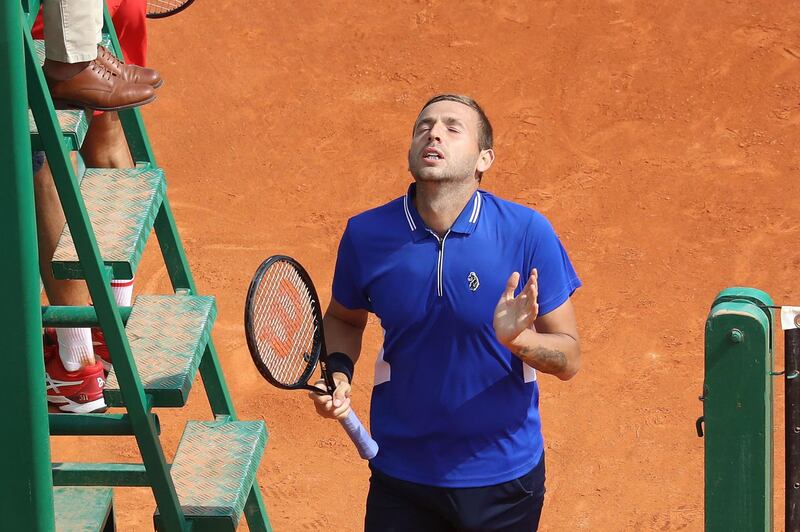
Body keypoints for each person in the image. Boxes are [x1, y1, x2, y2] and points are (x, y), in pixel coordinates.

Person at [309, 94, 582, 531]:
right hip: (401, 473)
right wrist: (339, 371)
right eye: (424, 127)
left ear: (484, 159)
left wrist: (520, 341)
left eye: (453, 128)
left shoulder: (527, 232)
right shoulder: (366, 235)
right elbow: (344, 318)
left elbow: (569, 359)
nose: (433, 133)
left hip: (503, 479)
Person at [33, 0, 159, 413]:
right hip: (105, 11)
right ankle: (111, 323)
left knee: (41, 164)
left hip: (51, 28)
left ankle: (75, 365)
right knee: (105, 129)